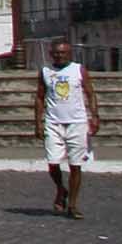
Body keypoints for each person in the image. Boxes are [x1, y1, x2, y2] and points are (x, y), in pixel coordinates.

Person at [35, 36, 102, 219]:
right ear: (51, 54)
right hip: (53, 122)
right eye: (56, 53)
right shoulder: (45, 71)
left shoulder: (79, 70)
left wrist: (94, 116)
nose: (59, 56)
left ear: (69, 53)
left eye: (63, 53)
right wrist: (38, 122)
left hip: (77, 122)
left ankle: (72, 205)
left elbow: (90, 93)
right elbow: (40, 97)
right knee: (53, 163)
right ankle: (60, 189)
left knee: (75, 165)